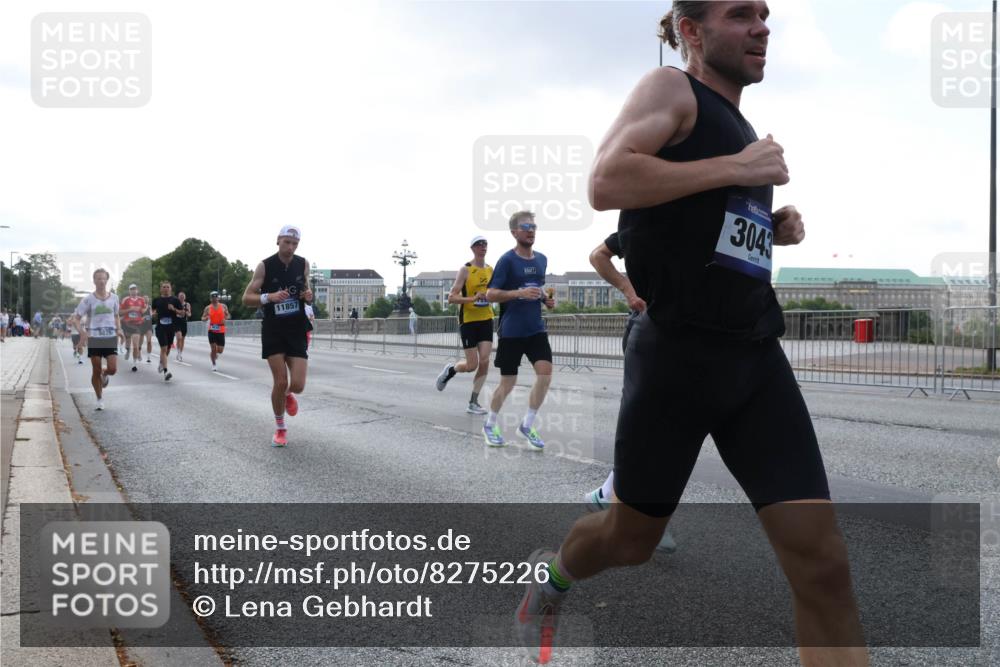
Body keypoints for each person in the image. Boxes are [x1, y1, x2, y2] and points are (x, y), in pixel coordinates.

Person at [514, 4, 868, 666]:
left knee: (823, 564)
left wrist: (772, 225)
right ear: (691, 31)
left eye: (765, 14)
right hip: (677, 359)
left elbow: (713, 240)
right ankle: (555, 574)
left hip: (754, 359)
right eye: (741, 14)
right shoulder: (671, 90)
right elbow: (606, 179)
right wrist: (739, 170)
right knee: (630, 539)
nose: (763, 26)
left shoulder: (740, 128)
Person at [586, 232, 676, 553]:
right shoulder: (644, 217)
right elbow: (598, 254)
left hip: (686, 335)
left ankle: (611, 493)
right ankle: (639, 514)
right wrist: (628, 291)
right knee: (654, 428)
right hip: (647, 329)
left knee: (666, 428)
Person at [482, 211, 555, 448]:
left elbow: (539, 289)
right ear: (514, 232)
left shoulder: (542, 259)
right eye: (525, 227)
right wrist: (518, 293)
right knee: (508, 383)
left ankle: (527, 424)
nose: (531, 230)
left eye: (533, 226)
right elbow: (491, 293)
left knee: (545, 375)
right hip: (511, 331)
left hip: (536, 329)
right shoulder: (507, 260)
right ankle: (490, 423)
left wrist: (546, 300)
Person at [241, 225, 314, 448]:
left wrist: (308, 296)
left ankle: (288, 395)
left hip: (297, 328)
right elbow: (246, 298)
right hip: (273, 328)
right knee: (280, 381)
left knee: (298, 385)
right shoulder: (265, 266)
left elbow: (307, 292)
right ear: (278, 241)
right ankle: (280, 428)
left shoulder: (303, 264)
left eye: (294, 244)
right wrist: (269, 297)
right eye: (286, 242)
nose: (290, 248)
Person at [435, 235, 494, 415]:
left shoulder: (491, 269)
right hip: (468, 320)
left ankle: (473, 402)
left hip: (486, 318)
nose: (483, 247)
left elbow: (495, 290)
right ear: (472, 248)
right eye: (479, 244)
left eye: (485, 244)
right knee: (472, 365)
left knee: (485, 362)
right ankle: (450, 370)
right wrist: (472, 298)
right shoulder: (466, 270)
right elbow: (452, 297)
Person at [71, 268, 121, 410]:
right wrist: (82, 332)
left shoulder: (114, 298)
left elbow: (117, 316)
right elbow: (76, 318)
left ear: (107, 280)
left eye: (103, 278)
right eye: (98, 278)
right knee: (96, 369)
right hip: (94, 338)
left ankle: (106, 373)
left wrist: (119, 329)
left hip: (110, 337)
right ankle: (99, 398)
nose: (101, 281)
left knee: (112, 369)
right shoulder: (88, 300)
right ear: (94, 281)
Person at [151, 281, 182, 382]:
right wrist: (153, 314)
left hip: (171, 328)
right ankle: (166, 371)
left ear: (170, 289)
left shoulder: (175, 300)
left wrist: (174, 309)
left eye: (167, 287)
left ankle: (161, 363)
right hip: (160, 327)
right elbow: (153, 311)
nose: (165, 289)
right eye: (164, 287)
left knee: (167, 349)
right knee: (163, 348)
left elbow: (182, 313)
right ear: (161, 289)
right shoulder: (157, 300)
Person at [120, 284, 147, 371]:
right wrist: (129, 309)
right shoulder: (126, 300)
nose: (133, 291)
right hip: (127, 324)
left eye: (135, 289)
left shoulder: (141, 300)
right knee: (128, 341)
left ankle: (134, 364)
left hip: (137, 324)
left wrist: (143, 309)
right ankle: (127, 350)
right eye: (131, 289)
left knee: (135, 345)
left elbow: (143, 311)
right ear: (129, 291)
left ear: (137, 290)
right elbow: (120, 312)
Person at [202, 291, 230, 371]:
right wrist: (206, 318)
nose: (214, 299)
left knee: (220, 351)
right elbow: (202, 318)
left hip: (221, 330)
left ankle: (213, 354)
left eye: (216, 297)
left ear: (218, 298)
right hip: (212, 330)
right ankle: (214, 364)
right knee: (213, 348)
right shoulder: (208, 308)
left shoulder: (224, 306)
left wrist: (225, 318)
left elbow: (228, 315)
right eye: (213, 297)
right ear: (210, 299)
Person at [174, 291, 192, 362]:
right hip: (177, 322)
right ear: (178, 297)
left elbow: (190, 314)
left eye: (183, 297)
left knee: (182, 339)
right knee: (179, 337)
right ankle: (178, 352)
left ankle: (180, 354)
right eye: (180, 297)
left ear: (184, 298)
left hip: (184, 323)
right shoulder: (175, 304)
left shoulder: (187, 304)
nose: (181, 298)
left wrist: (186, 313)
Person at [141, 297, 154, 363]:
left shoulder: (150, 307)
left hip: (148, 326)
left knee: (149, 341)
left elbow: (151, 315)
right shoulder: (140, 307)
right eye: (144, 299)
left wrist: (152, 313)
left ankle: (148, 357)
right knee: (140, 342)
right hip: (141, 326)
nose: (146, 300)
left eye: (147, 299)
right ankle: (139, 352)